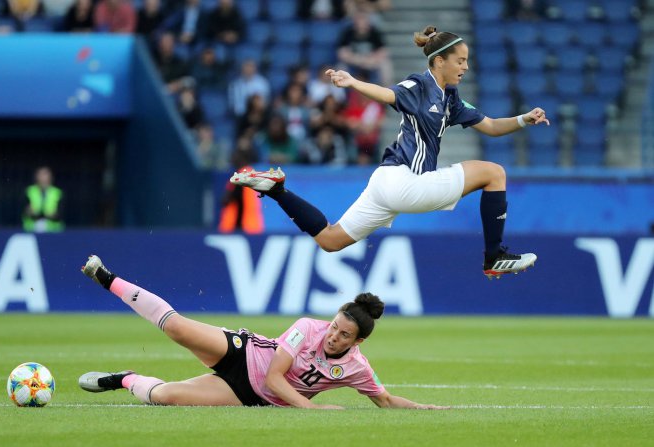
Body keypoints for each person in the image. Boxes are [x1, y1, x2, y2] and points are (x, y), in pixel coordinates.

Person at [231, 26, 550, 279]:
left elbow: (492, 126)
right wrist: (354, 83)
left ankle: (278, 190)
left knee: (330, 240)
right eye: (460, 60)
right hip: (405, 180)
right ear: (439, 61)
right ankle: (494, 256)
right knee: (494, 173)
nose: (465, 66)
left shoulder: (450, 99)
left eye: (466, 60)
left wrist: (524, 119)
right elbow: (389, 94)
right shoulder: (419, 86)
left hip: (387, 183)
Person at [78, 255, 449, 409]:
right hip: (244, 353)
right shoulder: (306, 327)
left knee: (166, 398)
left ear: (359, 342)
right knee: (176, 328)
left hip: (247, 395)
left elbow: (384, 400)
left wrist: (428, 408)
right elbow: (274, 376)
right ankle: (107, 279)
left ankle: (127, 379)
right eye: (335, 326)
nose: (334, 336)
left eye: (344, 335)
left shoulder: (356, 368)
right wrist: (310, 409)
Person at [22, 166, 64, 233]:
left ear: (51, 177)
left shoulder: (57, 192)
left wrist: (53, 215)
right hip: (32, 230)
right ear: (36, 176)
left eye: (45, 174)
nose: (43, 178)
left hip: (53, 231)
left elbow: (60, 214)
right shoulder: (29, 191)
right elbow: (26, 211)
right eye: (40, 175)